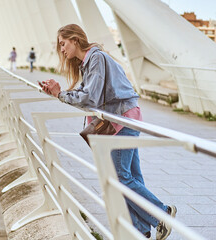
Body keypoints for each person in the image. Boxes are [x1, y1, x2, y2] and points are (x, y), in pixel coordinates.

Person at [39, 24, 177, 240]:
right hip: (123, 119)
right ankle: (141, 231)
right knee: (131, 177)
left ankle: (161, 216)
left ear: (75, 40)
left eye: (63, 44)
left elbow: (89, 99)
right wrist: (59, 93)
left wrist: (60, 94)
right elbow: (88, 94)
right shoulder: (89, 62)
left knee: (121, 178)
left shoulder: (96, 58)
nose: (62, 50)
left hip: (123, 120)